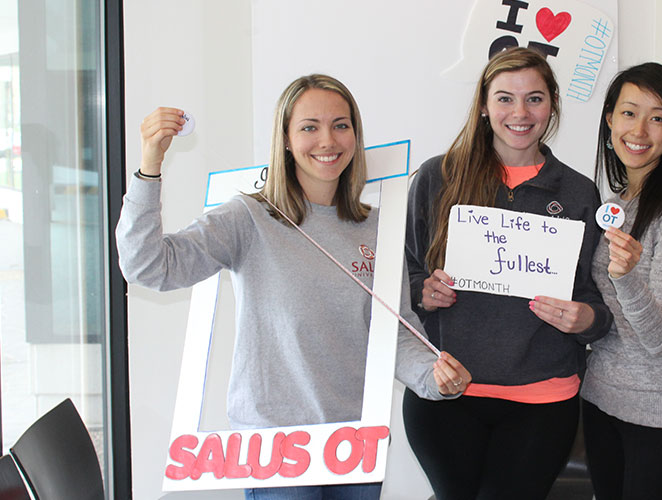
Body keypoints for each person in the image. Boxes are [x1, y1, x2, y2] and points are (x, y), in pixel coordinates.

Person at [116, 74, 472, 500]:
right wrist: (149, 166)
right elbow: (149, 267)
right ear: (285, 139)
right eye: (309, 127)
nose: (327, 140)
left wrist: (434, 376)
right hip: (276, 452)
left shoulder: (379, 228)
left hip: (355, 446)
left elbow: (393, 329)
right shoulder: (247, 217)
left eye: (341, 125)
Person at [402, 47, 613, 499]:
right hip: (448, 390)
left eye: (534, 98)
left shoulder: (578, 193)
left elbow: (599, 304)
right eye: (505, 98)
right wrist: (423, 291)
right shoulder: (438, 177)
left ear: (553, 103)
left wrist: (585, 321)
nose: (520, 113)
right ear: (483, 104)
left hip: (543, 399)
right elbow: (403, 276)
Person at [581, 62, 662, 500]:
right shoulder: (619, 204)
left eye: (657, 117)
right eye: (628, 112)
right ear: (609, 120)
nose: (639, 129)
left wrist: (628, 277)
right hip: (601, 398)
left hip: (661, 411)